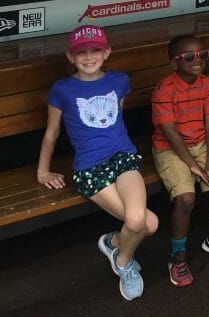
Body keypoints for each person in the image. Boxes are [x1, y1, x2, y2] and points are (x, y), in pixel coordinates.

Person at [37, 26, 158, 300]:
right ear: (70, 56)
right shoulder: (62, 89)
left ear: (107, 53)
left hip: (123, 157)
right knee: (147, 225)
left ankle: (122, 258)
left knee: (141, 221)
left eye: (95, 50)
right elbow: (52, 132)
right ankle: (114, 243)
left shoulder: (118, 81)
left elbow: (117, 117)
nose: (88, 57)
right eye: (81, 52)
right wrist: (43, 170)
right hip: (90, 168)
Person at [152, 34, 209, 287]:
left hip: (202, 144)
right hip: (170, 148)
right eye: (188, 57)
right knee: (186, 198)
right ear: (174, 63)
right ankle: (177, 255)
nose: (197, 60)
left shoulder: (206, 84)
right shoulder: (164, 89)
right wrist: (193, 166)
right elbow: (169, 133)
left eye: (202, 55)